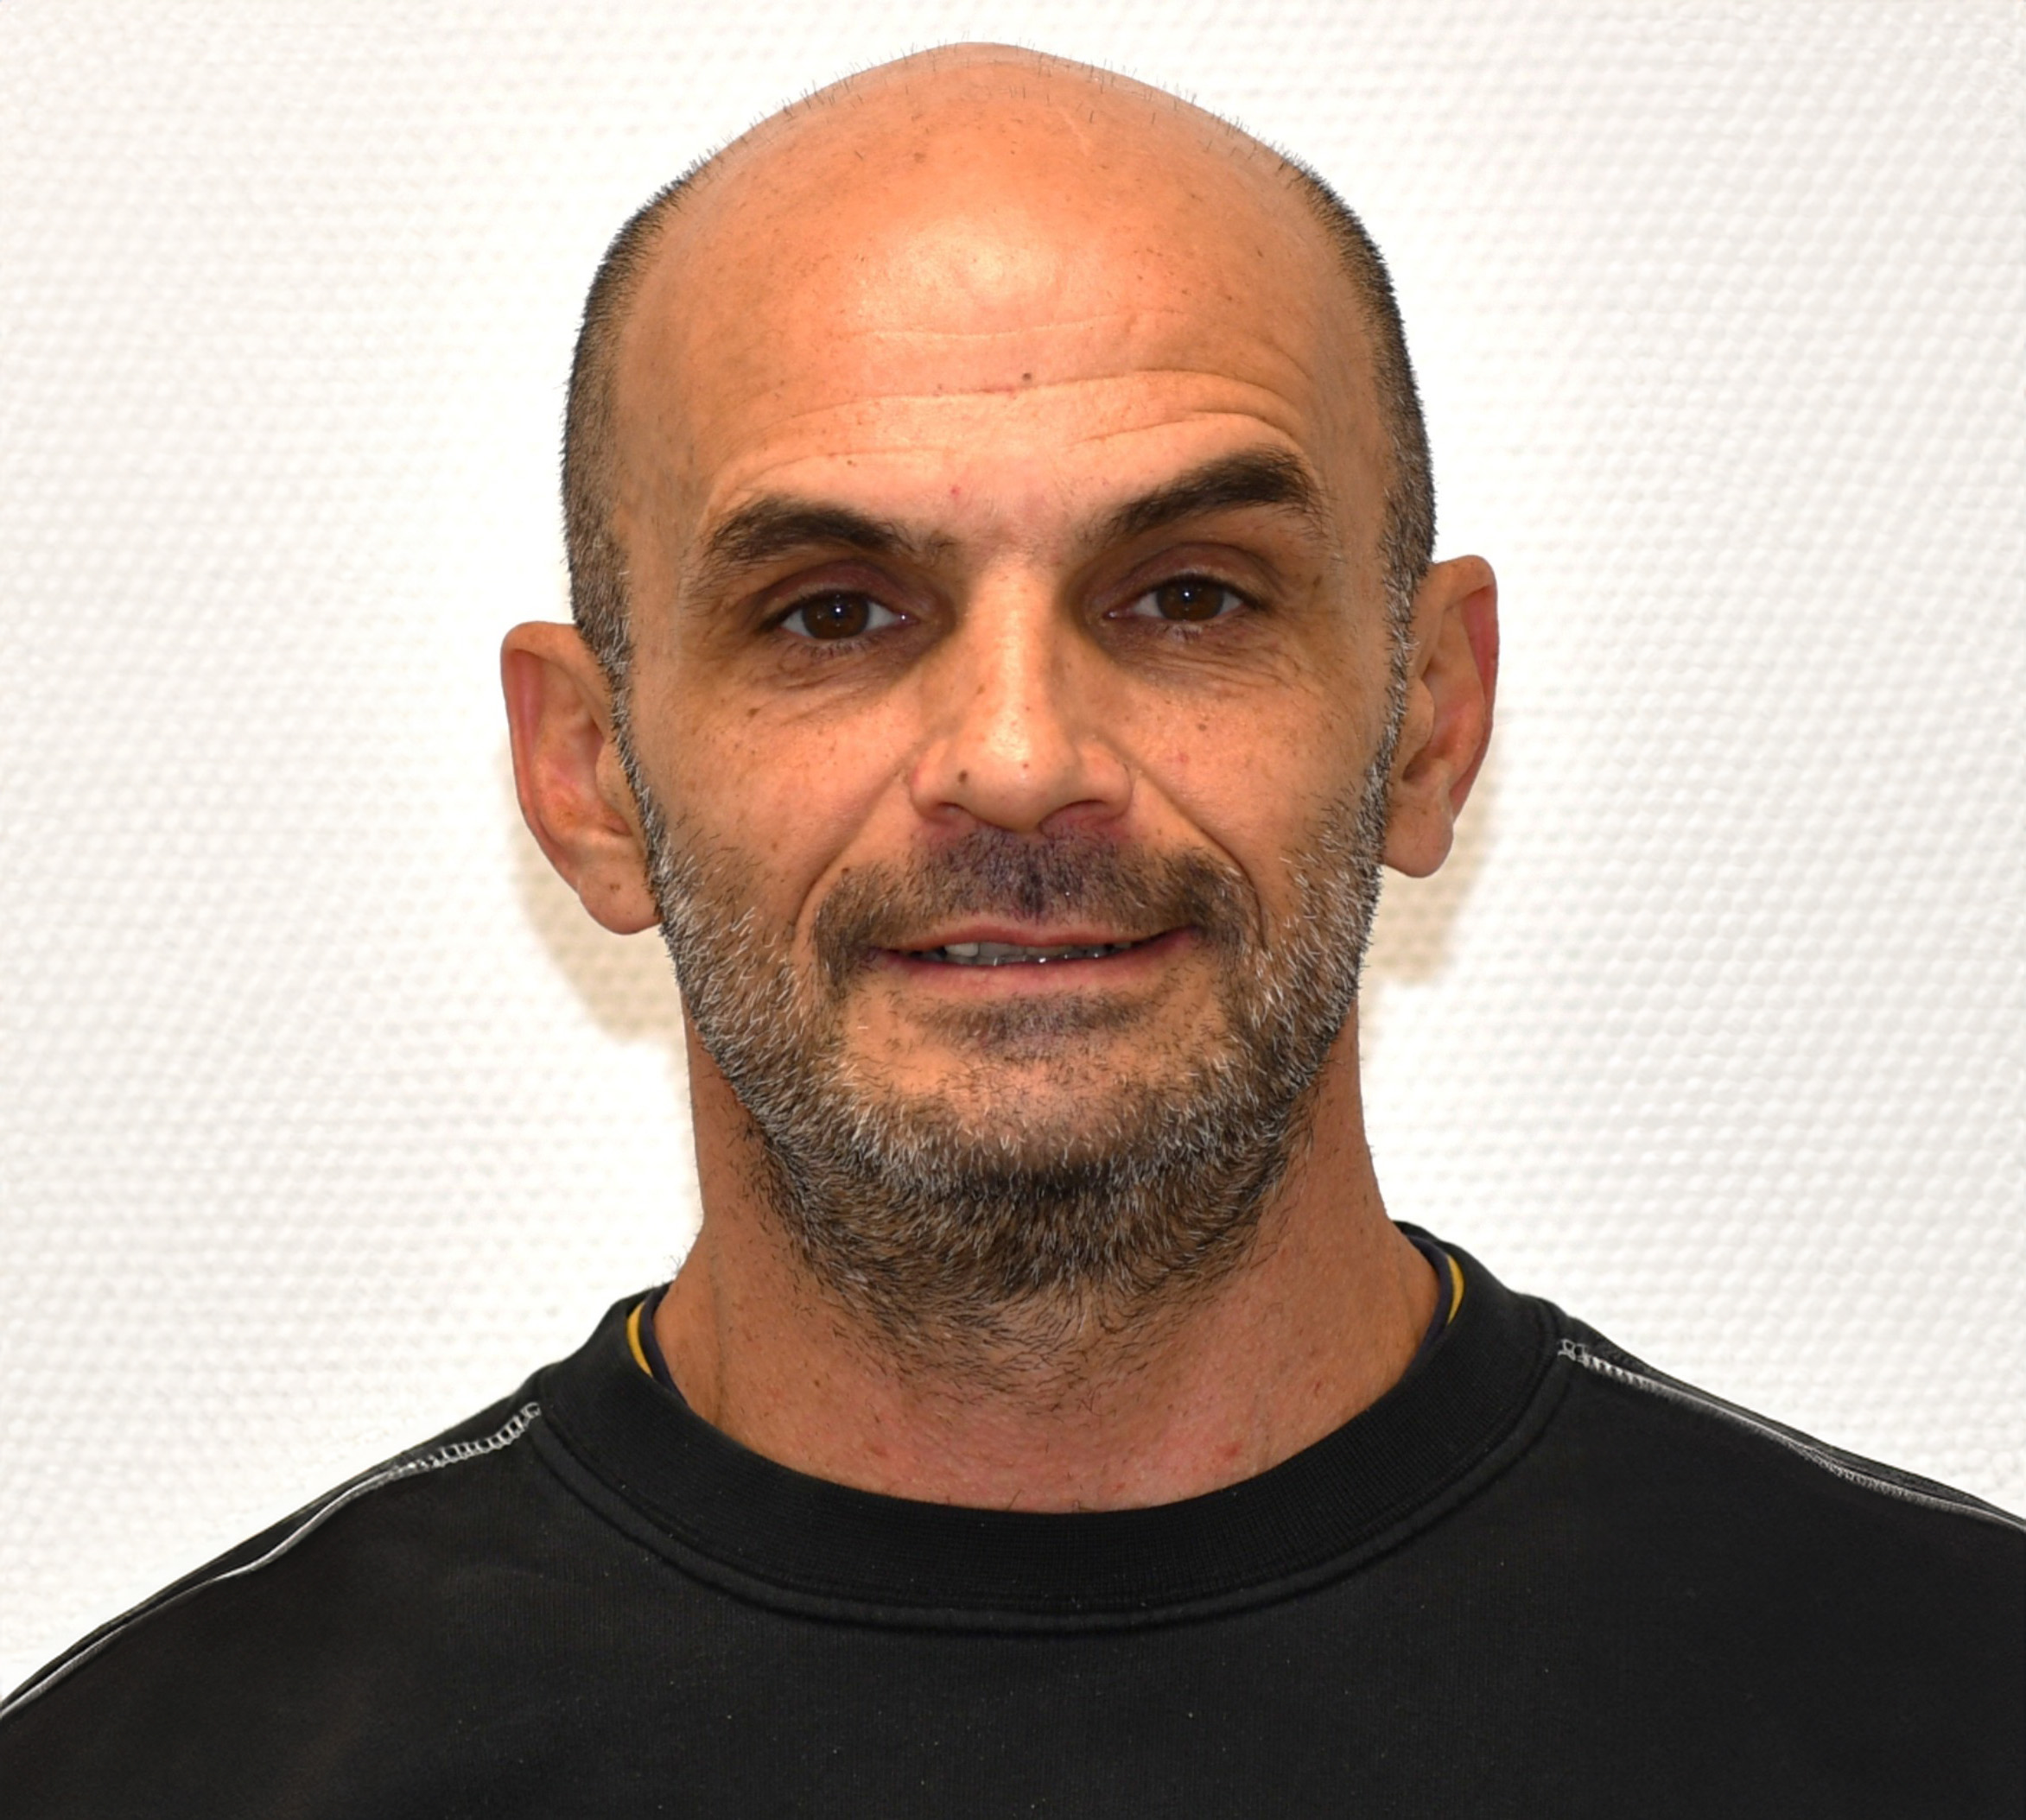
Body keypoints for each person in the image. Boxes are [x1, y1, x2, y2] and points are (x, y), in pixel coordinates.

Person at [3, 42, 2018, 1817]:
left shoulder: (1954, 1706)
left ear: (1429, 717)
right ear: (591, 773)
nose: (1023, 757)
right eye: (832, 613)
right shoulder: (148, 1781)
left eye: (1192, 594)